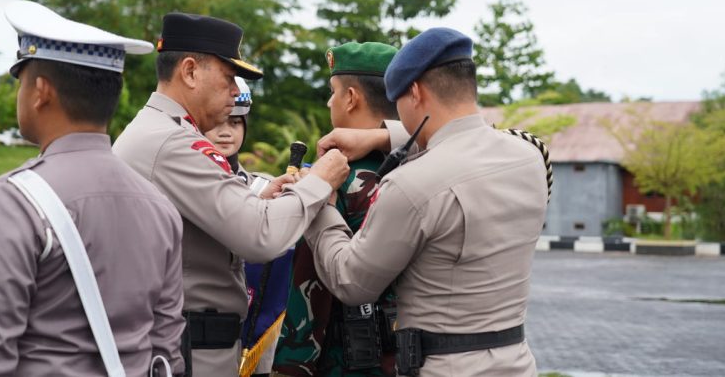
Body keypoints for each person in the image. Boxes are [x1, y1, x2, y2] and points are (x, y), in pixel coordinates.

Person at [0, 0, 185, 376]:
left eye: (21, 82)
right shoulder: (160, 207)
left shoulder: (14, 201)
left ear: (40, 91)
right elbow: (165, 353)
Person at [112, 13, 349, 377]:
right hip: (193, 348)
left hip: (190, 343)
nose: (236, 92)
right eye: (228, 78)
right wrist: (318, 180)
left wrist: (262, 201)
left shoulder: (161, 132)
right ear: (190, 72)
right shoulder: (171, 142)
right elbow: (259, 237)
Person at [304, 28, 550, 376]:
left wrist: (322, 205)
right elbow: (471, 137)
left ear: (415, 93)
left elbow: (351, 281)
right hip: (517, 363)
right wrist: (382, 135)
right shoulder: (530, 158)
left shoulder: (410, 184)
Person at [274, 42, 399, 377]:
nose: (330, 101)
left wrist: (289, 368)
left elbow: (308, 294)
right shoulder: (423, 166)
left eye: (333, 91)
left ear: (351, 98)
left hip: (345, 363)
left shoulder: (334, 179)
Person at [203, 77, 291, 377]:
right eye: (217, 122)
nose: (226, 132)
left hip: (257, 349)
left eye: (237, 122)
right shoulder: (182, 183)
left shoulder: (267, 185)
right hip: (197, 340)